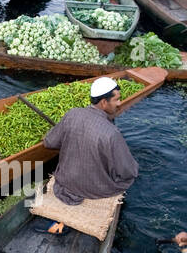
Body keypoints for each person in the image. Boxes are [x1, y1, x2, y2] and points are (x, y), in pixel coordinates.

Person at [40, 77, 139, 223]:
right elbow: (128, 171)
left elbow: (49, 142)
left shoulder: (72, 114)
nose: (119, 104)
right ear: (104, 102)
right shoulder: (112, 133)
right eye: (117, 99)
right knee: (130, 172)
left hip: (65, 181)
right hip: (95, 188)